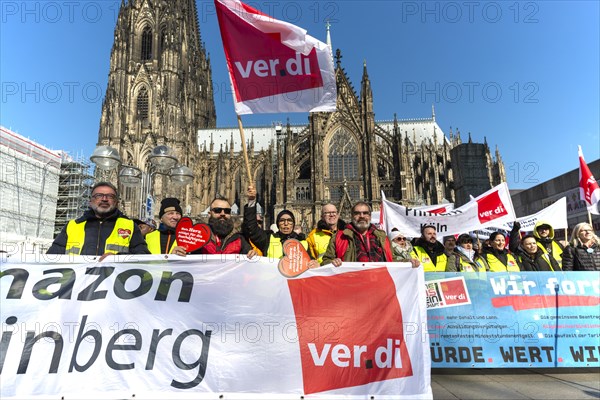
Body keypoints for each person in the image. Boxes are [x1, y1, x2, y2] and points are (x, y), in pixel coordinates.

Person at [47, 181, 149, 255]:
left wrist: (118, 259)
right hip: (77, 283)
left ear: (117, 202)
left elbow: (143, 257)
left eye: (110, 196)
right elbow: (51, 258)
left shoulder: (129, 225)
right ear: (90, 202)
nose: (104, 199)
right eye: (99, 196)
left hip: (114, 283)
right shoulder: (73, 225)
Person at [243, 186, 316, 263]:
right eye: (282, 221)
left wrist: (315, 263)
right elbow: (251, 228)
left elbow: (310, 263)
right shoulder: (268, 239)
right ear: (278, 224)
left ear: (293, 224)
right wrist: (251, 201)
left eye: (289, 221)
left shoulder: (303, 242)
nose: (286, 223)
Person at [322, 202, 400, 267]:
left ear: (370, 216)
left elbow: (392, 260)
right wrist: (333, 262)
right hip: (352, 282)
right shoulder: (339, 237)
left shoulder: (382, 237)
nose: (362, 216)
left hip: (379, 282)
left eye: (365, 213)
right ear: (352, 216)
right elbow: (325, 261)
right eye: (357, 213)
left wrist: (408, 262)